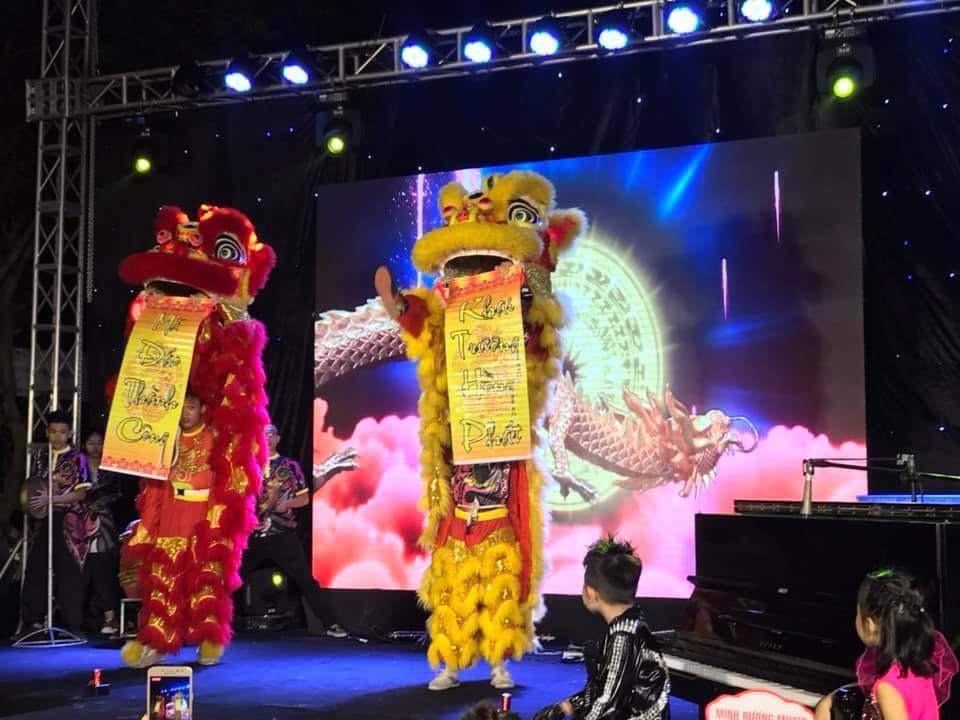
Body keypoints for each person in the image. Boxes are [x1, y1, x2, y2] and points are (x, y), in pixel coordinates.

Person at [122, 392, 221, 667]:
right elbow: (154, 484)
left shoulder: (214, 436)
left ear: (202, 408)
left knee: (203, 579)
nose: (186, 413)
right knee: (163, 579)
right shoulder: (164, 439)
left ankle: (209, 639)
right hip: (170, 513)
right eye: (181, 408)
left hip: (202, 515)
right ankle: (157, 643)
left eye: (191, 407)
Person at [534, 537, 671, 720]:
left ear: (591, 593)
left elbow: (608, 705)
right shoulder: (629, 627)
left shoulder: (623, 637)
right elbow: (602, 689)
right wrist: (566, 707)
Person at [239, 423, 353, 637]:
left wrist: (287, 504)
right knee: (231, 578)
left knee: (305, 580)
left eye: (272, 434)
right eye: (263, 435)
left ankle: (330, 624)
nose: (268, 439)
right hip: (252, 535)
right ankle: (209, 625)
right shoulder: (247, 467)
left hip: (282, 535)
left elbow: (304, 498)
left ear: (278, 438)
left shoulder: (290, 466)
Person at [815, 569, 958, 720]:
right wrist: (831, 699)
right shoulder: (917, 667)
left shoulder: (887, 688)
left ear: (870, 625)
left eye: (858, 612)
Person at [18, 410, 91, 637]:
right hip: (43, 520)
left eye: (62, 432)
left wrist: (51, 499)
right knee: (36, 568)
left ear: (69, 433)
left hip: (69, 521)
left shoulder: (78, 458)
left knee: (68, 571)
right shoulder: (40, 457)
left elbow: (81, 494)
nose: (57, 436)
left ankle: (72, 624)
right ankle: (33, 621)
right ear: (47, 432)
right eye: (53, 431)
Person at [80, 430, 121, 634]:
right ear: (84, 444)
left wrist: (100, 502)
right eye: (91, 443)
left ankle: (110, 617)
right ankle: (76, 617)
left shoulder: (111, 466)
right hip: (78, 521)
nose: (96, 448)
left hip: (103, 522)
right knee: (80, 569)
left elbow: (118, 493)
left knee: (102, 566)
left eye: (99, 443)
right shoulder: (77, 465)